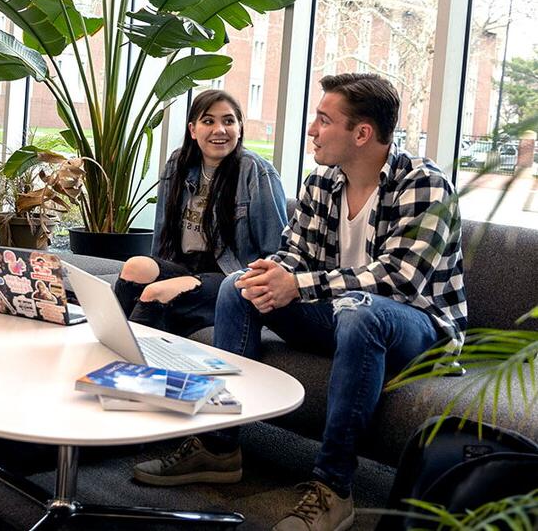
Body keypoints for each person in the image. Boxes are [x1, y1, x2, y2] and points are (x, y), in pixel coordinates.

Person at [133, 73, 467, 531]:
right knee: (238, 288)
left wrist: (300, 285)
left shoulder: (425, 185)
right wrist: (270, 272)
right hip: (339, 314)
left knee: (361, 314)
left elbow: (400, 279)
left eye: (323, 120)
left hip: (416, 328)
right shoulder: (323, 181)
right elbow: (294, 252)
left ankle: (334, 487)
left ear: (362, 133)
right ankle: (218, 446)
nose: (311, 129)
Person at [113, 89, 287, 337]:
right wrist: (158, 270)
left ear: (239, 128)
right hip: (184, 267)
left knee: (154, 293)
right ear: (193, 130)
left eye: (228, 121)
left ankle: (130, 361)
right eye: (209, 121)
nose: (220, 130)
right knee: (135, 266)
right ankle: (110, 342)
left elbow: (275, 249)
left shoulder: (256, 172)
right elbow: (162, 236)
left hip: (230, 276)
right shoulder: (178, 164)